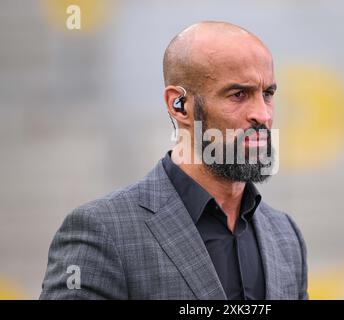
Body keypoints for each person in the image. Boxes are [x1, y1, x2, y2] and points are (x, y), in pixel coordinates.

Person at [40, 21, 308, 300]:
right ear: (179, 105)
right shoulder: (102, 231)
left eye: (267, 94)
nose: (263, 115)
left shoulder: (285, 236)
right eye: (239, 95)